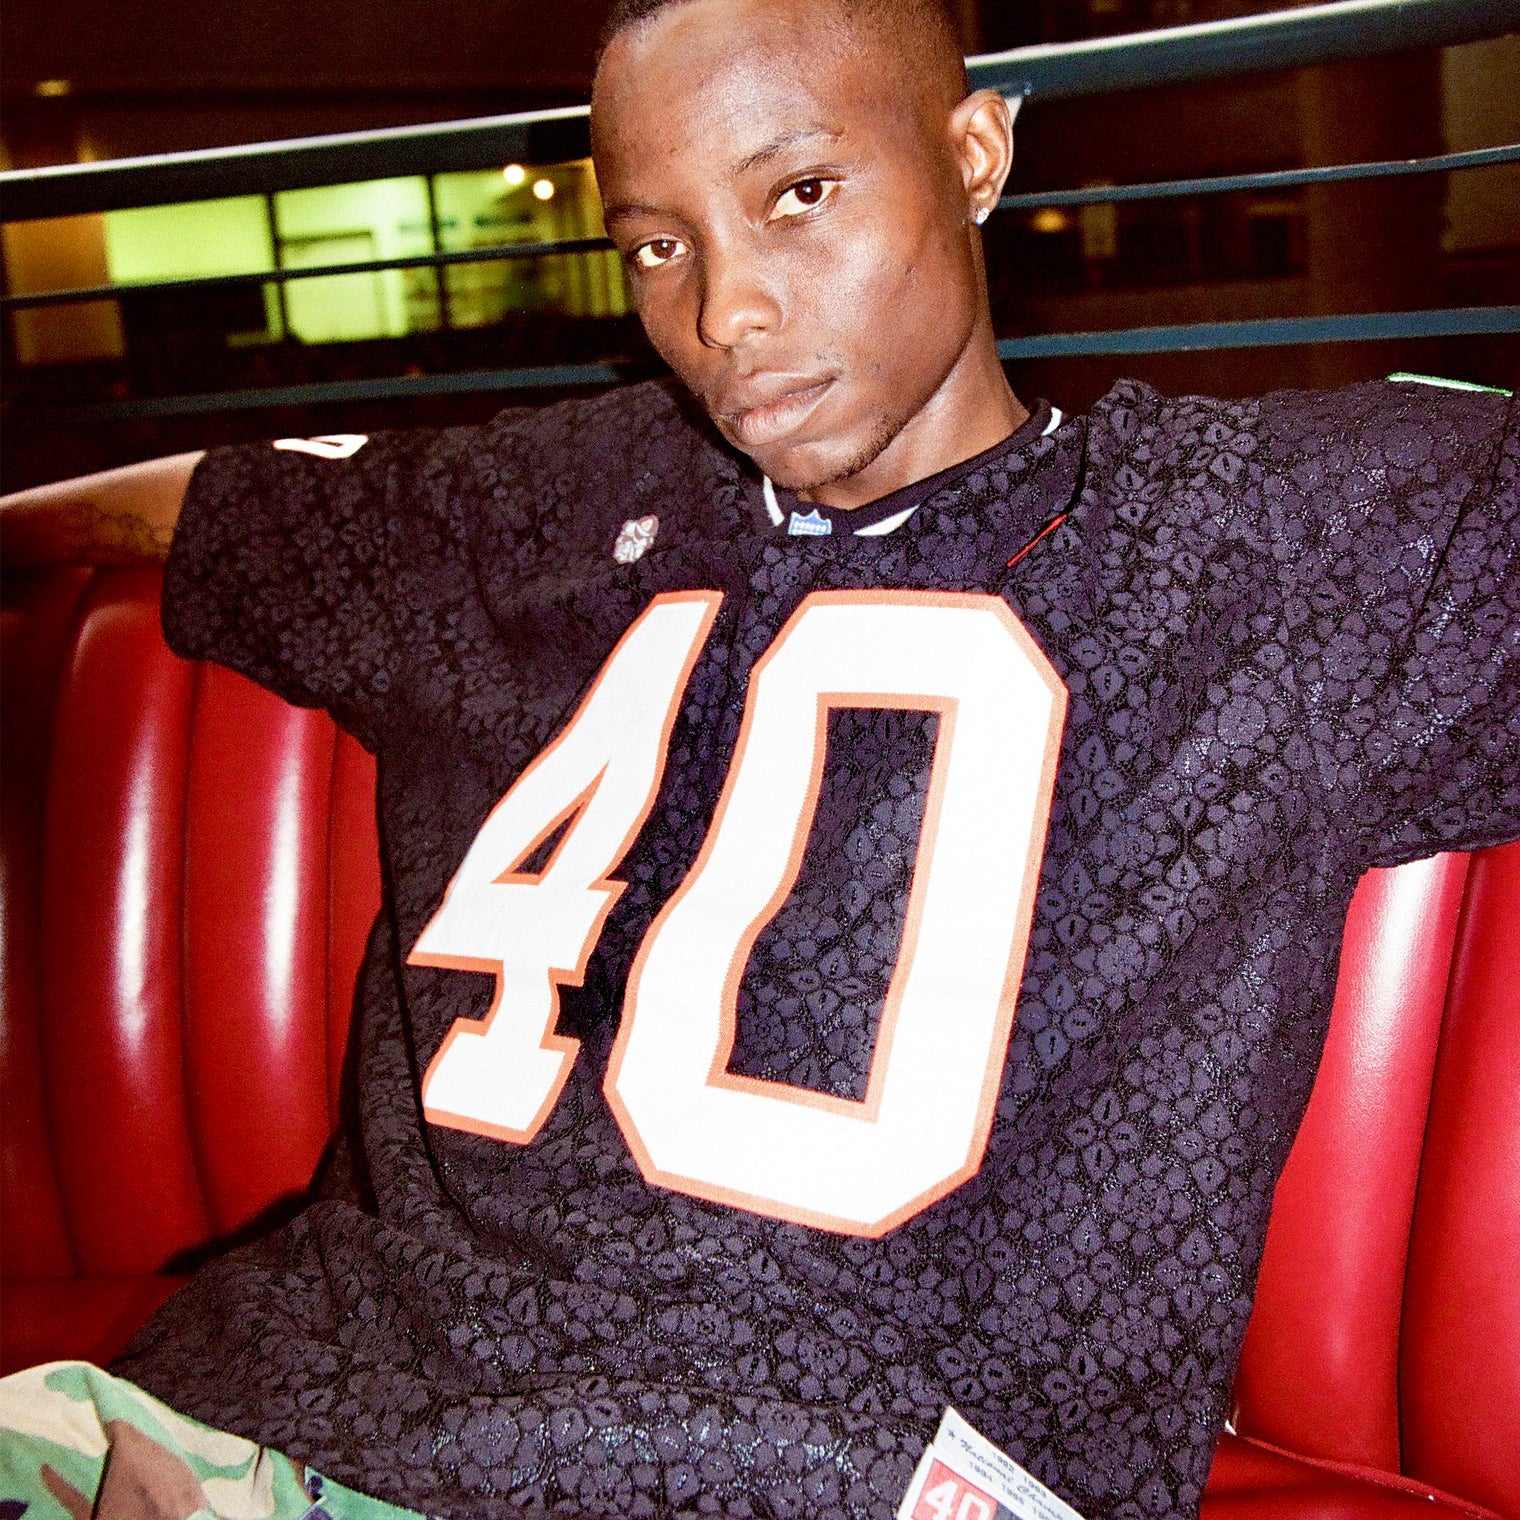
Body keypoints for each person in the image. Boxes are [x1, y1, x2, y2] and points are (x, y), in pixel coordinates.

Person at [1, 1, 1516, 1518]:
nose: (725, 309)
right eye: (657, 242)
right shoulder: (544, 502)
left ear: (975, 151)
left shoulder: (1266, 543)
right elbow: (223, 515)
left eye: (800, 194)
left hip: (835, 1475)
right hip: (256, 1413)